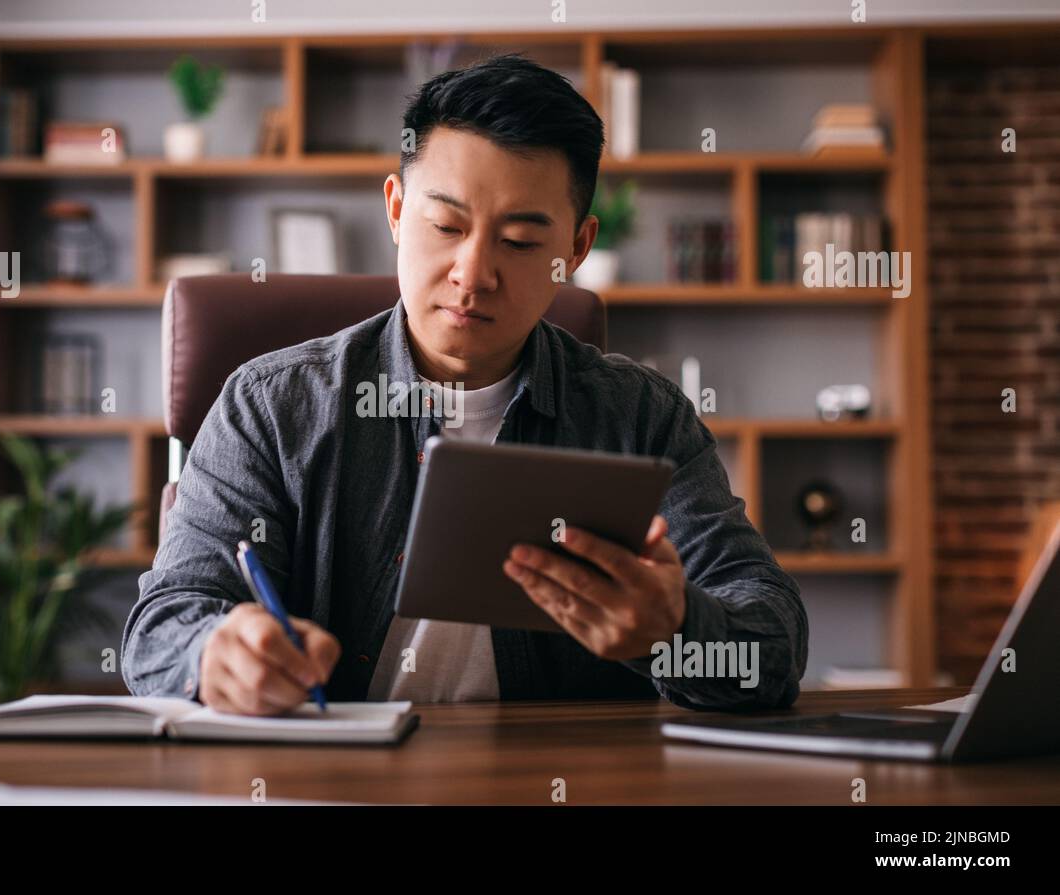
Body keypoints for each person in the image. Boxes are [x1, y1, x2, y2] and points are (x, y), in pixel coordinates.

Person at [122, 54, 807, 715]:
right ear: (395, 210)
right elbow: (158, 631)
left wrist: (676, 632)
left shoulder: (641, 419)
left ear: (576, 249)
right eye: (446, 225)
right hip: (334, 786)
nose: (473, 274)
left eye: (519, 241)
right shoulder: (270, 407)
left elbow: (774, 639)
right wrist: (214, 655)